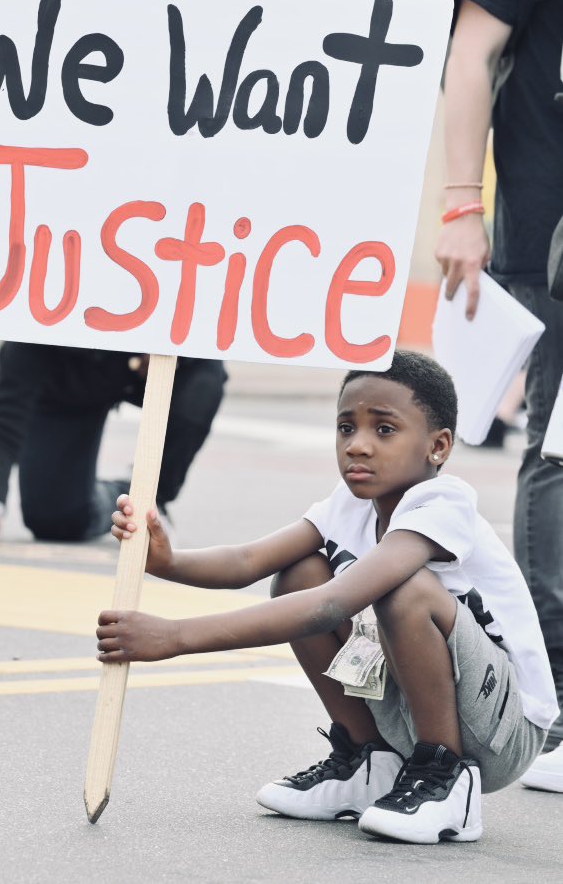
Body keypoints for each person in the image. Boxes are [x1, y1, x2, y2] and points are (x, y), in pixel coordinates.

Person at [96, 350, 557, 844]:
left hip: (503, 732)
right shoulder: (351, 503)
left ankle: (444, 777)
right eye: (345, 428)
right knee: (299, 573)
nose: (357, 446)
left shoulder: (443, 506)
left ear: (438, 446)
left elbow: (330, 606)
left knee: (404, 592)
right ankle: (368, 762)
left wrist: (175, 637)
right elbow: (250, 561)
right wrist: (166, 561)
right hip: (424, 709)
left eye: (384, 430)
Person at [435, 0, 563, 788]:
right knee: (561, 455)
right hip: (553, 233)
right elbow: (471, 52)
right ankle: (553, 703)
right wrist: (457, 205)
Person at [0, 342, 226, 545]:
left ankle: (154, 494)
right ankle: (125, 493)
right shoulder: (36, 329)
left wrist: (174, 350)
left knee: (204, 380)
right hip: (68, 391)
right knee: (54, 519)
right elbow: (3, 419)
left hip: (153, 360)